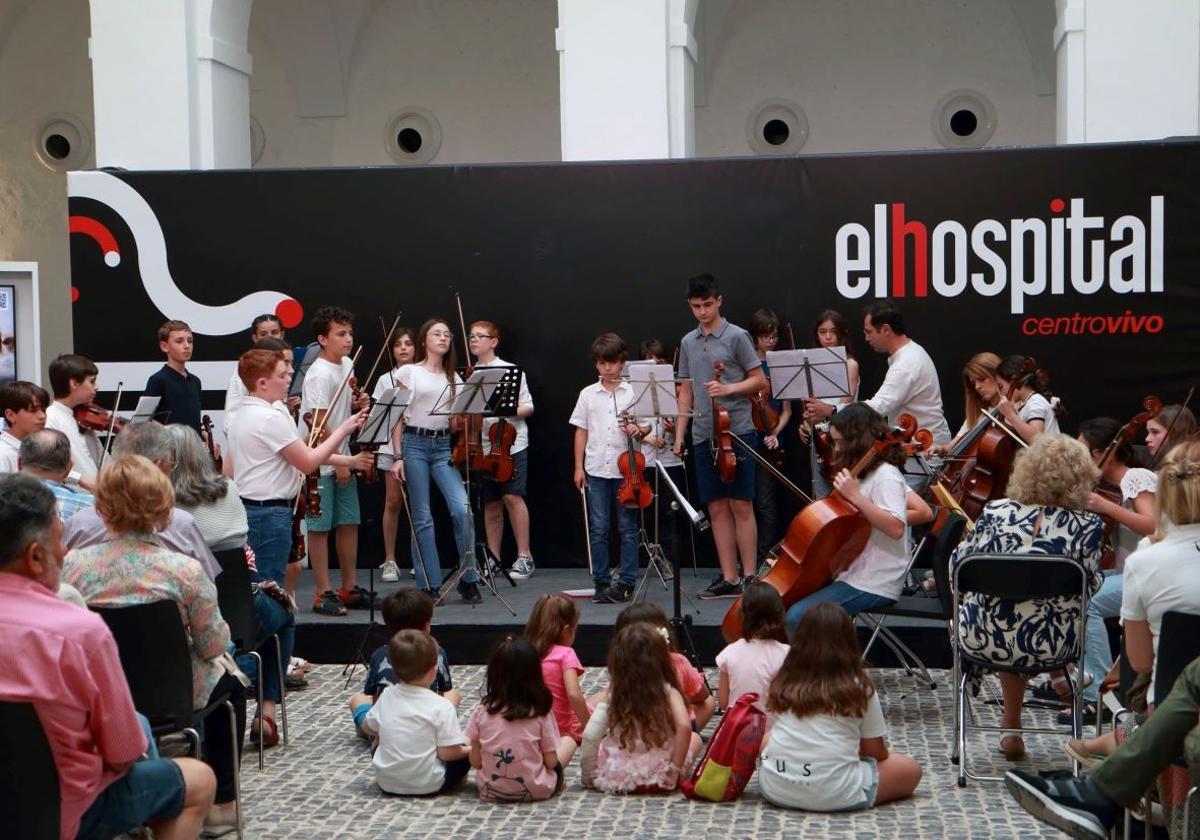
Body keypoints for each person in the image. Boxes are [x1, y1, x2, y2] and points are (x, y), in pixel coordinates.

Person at [0, 474, 216, 840]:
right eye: (58, 541)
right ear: (35, 557)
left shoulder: (79, 587)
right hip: (63, 810)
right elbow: (123, 753)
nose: (65, 551)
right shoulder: (78, 632)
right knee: (198, 778)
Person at [62, 455, 246, 830]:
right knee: (234, 683)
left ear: (103, 506)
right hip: (174, 691)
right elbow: (212, 646)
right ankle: (222, 803)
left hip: (101, 693)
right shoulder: (184, 571)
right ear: (164, 506)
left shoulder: (72, 566)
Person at [949, 433, 1105, 759]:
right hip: (1055, 644)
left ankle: (1011, 727)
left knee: (1008, 609)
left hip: (984, 639)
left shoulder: (995, 512)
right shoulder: (1088, 524)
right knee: (1033, 612)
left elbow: (957, 570)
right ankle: (1061, 675)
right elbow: (1090, 584)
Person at [1066, 439, 1200, 764]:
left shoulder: (1146, 562)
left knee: (1140, 681)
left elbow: (1140, 663)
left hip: (1174, 711)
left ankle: (1118, 748)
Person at [164, 422, 294, 746]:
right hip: (238, 603)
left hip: (181, 612)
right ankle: (265, 713)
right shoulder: (229, 488)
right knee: (285, 615)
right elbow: (242, 540)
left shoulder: (164, 503)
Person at [223, 347, 371, 605]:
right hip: (269, 514)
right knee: (270, 593)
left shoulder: (243, 413)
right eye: (282, 374)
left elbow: (298, 452)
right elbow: (306, 461)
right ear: (262, 383)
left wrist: (349, 460)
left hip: (255, 511)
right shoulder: (269, 417)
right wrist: (344, 429)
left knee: (265, 588)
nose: (289, 376)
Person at [1006, 654, 1200, 839]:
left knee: (1146, 719)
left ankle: (1105, 764)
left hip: (1147, 699)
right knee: (1151, 717)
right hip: (1151, 704)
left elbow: (1140, 661)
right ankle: (1105, 764)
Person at [760, 602, 922, 812]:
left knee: (770, 736)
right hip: (835, 791)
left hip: (776, 787)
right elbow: (875, 752)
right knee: (910, 769)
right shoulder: (859, 685)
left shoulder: (785, 679)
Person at [674, 274, 766, 599]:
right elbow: (685, 389)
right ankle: (729, 577)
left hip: (737, 430)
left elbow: (759, 381)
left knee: (741, 503)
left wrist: (729, 388)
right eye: (696, 307)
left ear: (719, 301)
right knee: (715, 507)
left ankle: (750, 576)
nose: (702, 312)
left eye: (707, 305)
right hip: (702, 432)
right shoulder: (687, 342)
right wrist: (680, 434)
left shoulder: (738, 336)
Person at [784, 403, 910, 633]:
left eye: (841, 442)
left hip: (875, 579)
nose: (837, 449)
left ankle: (814, 669)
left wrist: (856, 497)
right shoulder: (862, 472)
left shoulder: (886, 476)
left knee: (797, 618)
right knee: (786, 605)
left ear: (857, 440)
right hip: (852, 571)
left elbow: (896, 528)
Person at [1070, 416, 1158, 724]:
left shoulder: (1136, 477)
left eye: (1082, 451)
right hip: (1129, 572)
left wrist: (1106, 507)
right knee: (1075, 586)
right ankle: (1076, 676)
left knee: (1088, 601)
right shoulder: (1115, 485)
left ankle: (1104, 693)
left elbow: (1153, 525)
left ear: (1101, 453)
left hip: (1148, 575)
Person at [388, 318, 482, 604]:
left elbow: (453, 425)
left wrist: (466, 412)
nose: (442, 338)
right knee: (423, 516)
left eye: (446, 334)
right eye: (436, 334)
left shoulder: (454, 378)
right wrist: (398, 456)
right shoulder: (409, 371)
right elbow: (395, 417)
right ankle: (428, 583)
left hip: (442, 446)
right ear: (424, 340)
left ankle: (469, 578)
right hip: (414, 444)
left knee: (462, 509)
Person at [63, 421, 221, 580]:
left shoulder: (77, 524)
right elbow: (208, 583)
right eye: (171, 464)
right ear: (158, 466)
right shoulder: (181, 524)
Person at [300, 306, 375, 615]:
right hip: (321, 459)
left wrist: (361, 401)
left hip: (343, 453)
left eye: (350, 334)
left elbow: (347, 405)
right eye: (340, 334)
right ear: (322, 339)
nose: (348, 340)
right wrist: (341, 460)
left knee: (348, 521)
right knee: (319, 525)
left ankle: (348, 587)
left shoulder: (346, 364)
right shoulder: (318, 374)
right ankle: (322, 591)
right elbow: (317, 422)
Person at [805, 301, 950, 447]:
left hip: (927, 448)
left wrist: (832, 409)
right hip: (919, 443)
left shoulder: (906, 364)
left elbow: (877, 407)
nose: (866, 338)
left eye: (869, 332)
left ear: (886, 330)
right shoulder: (909, 353)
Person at [580, 622, 702, 794]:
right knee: (696, 738)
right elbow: (684, 727)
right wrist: (674, 770)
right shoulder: (669, 692)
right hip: (660, 773)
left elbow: (591, 734)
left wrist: (589, 774)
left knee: (605, 746)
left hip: (620, 775)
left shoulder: (615, 694)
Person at [570, 332, 645, 603]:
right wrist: (578, 467)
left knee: (627, 528)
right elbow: (581, 431)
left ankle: (626, 581)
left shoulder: (634, 391)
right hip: (596, 470)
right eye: (602, 363)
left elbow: (647, 425)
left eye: (612, 362)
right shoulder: (587, 394)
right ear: (596, 364)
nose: (608, 368)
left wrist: (639, 428)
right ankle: (601, 581)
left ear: (622, 362)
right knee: (599, 528)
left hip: (628, 473)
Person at [362, 629, 471, 796]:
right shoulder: (442, 705)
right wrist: (471, 750)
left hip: (386, 781)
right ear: (433, 672)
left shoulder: (386, 696)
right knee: (462, 756)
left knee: (379, 736)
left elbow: (368, 727)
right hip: (429, 784)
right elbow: (447, 753)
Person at [465, 635, 570, 802]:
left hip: (490, 788)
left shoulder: (482, 712)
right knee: (569, 742)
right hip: (537, 788)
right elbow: (551, 762)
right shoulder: (540, 712)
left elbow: (476, 762)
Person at [470, 320, 537, 580]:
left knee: (512, 497)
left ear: (494, 342)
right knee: (491, 503)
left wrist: (502, 410)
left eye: (480, 336)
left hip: (511, 443)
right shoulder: (469, 373)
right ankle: (494, 560)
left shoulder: (511, 371)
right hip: (483, 445)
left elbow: (528, 407)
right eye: (471, 336)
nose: (474, 340)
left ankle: (524, 556)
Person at [348, 588, 460, 738]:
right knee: (453, 694)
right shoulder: (437, 652)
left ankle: (365, 730)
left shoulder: (379, 655)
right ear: (427, 626)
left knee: (358, 699)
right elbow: (441, 695)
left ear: (388, 625)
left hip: (387, 731)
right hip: (428, 725)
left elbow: (376, 702)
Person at [525, 593, 601, 764]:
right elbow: (574, 695)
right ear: (567, 630)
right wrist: (590, 728)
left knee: (596, 700)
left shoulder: (524, 652)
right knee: (606, 702)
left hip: (529, 724)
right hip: (561, 728)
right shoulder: (566, 654)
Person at [613, 602, 715, 730]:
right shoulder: (678, 662)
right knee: (709, 703)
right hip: (671, 733)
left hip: (632, 731)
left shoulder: (622, 665)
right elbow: (702, 695)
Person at [638, 338, 688, 575]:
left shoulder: (676, 389)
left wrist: (673, 428)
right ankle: (651, 555)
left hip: (670, 459)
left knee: (670, 511)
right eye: (649, 363)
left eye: (659, 363)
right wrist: (646, 438)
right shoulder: (635, 390)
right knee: (648, 511)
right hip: (646, 458)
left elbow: (683, 425)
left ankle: (669, 558)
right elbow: (627, 424)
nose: (654, 368)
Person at [798, 310, 860, 499]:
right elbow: (812, 406)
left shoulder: (850, 364)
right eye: (822, 332)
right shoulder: (811, 366)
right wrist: (806, 424)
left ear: (841, 333)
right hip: (819, 438)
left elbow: (845, 403)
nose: (828, 337)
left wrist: (821, 414)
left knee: (845, 497)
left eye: (833, 332)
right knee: (821, 498)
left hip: (844, 437)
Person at [372, 327, 416, 582]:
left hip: (418, 441)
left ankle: (419, 558)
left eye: (408, 343)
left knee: (419, 504)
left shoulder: (422, 374)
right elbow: (382, 415)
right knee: (393, 502)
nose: (403, 348)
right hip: (391, 445)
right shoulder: (384, 379)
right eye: (398, 344)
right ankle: (390, 559)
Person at [748, 308, 792, 560]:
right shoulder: (748, 365)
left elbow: (786, 410)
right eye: (765, 336)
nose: (770, 341)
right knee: (745, 503)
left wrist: (775, 431)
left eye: (774, 337)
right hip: (747, 436)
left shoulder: (781, 365)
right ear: (755, 336)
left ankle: (766, 555)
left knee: (766, 503)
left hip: (770, 440)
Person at [715, 580, 789, 713]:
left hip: (738, 729)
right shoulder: (787, 654)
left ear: (742, 615)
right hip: (775, 730)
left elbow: (723, 702)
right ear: (779, 614)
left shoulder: (729, 652)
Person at [223, 317, 300, 436]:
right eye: (264, 334)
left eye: (274, 332)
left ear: (282, 334)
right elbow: (230, 419)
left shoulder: (285, 367)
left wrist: (288, 409)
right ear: (255, 338)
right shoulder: (246, 369)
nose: (270, 337)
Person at [44, 352, 102, 488]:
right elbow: (47, 467)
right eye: (92, 381)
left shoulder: (84, 417)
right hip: (76, 500)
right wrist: (80, 479)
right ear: (74, 383)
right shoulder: (50, 418)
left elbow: (101, 459)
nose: (96, 386)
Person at [18, 428, 94, 521]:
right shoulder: (88, 505)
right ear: (69, 466)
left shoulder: (5, 494)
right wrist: (79, 479)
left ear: (19, 462)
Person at [143, 319, 203, 434]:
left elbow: (192, 419)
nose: (186, 346)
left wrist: (204, 433)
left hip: (192, 449)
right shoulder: (158, 380)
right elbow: (144, 420)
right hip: (168, 448)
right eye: (179, 341)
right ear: (165, 346)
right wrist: (171, 433)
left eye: (190, 341)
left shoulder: (195, 381)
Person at [993, 354, 1065, 443]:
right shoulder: (1027, 403)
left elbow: (1037, 439)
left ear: (1013, 380)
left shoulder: (1035, 401)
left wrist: (1010, 415)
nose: (1001, 393)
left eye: (1001, 387)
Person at [0, 380, 48, 472]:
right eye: (33, 410)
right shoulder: (2, 454)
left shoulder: (38, 447)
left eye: (43, 410)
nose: (42, 416)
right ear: (11, 415)